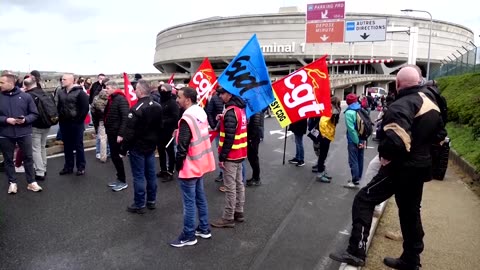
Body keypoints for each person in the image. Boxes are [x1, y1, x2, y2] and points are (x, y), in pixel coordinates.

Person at [329, 66, 447, 269]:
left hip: (401, 169)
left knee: (364, 199)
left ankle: (355, 251)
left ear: (398, 84)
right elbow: (440, 136)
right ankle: (411, 259)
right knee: (410, 212)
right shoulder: (432, 102)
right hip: (420, 168)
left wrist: (386, 155)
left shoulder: (401, 105)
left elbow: (396, 141)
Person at [169, 86, 216, 247]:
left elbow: (182, 147)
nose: (177, 100)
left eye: (179, 97)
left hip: (189, 166)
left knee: (189, 203)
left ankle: (188, 235)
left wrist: (177, 166)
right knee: (200, 197)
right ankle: (204, 228)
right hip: (201, 163)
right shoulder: (200, 112)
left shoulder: (186, 118)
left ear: (187, 99)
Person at [121, 79, 163, 214]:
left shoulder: (136, 109)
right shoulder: (157, 105)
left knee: (139, 176)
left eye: (135, 89)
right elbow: (159, 127)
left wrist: (123, 149)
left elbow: (129, 132)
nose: (134, 91)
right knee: (150, 175)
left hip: (138, 146)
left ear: (140, 91)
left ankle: (139, 204)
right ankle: (151, 200)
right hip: (150, 145)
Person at [210, 87, 247, 228]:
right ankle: (239, 211)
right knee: (239, 184)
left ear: (229, 94)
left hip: (231, 155)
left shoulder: (231, 112)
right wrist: (223, 118)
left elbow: (229, 138)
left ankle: (228, 217)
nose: (220, 96)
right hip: (240, 153)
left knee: (230, 187)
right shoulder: (239, 110)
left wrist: (222, 157)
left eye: (222, 94)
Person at [0, 73, 42, 193]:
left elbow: (34, 114)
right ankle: (12, 182)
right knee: (8, 159)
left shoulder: (26, 97)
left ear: (10, 83)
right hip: (5, 134)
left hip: (24, 132)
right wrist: (6, 120)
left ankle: (31, 182)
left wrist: (25, 120)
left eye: (2, 82)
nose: (0, 85)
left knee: (28, 157)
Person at [57, 73, 90, 176]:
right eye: (62, 79)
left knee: (78, 145)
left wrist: (78, 121)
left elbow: (85, 109)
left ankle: (81, 167)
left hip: (76, 123)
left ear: (72, 81)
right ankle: (68, 166)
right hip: (64, 123)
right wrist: (60, 118)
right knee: (67, 146)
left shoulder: (80, 93)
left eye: (65, 79)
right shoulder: (61, 92)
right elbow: (59, 106)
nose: (62, 81)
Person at [23, 76, 51, 181]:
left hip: (35, 125)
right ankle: (43, 166)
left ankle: (40, 172)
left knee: (35, 149)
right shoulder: (45, 93)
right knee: (42, 147)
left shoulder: (28, 96)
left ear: (25, 85)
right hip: (47, 123)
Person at [103, 81, 130, 192]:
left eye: (108, 88)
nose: (106, 90)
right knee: (114, 156)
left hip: (116, 133)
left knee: (117, 157)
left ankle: (123, 181)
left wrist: (121, 134)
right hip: (111, 131)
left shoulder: (121, 99)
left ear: (114, 88)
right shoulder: (112, 99)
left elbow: (125, 117)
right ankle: (119, 178)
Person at [157, 83, 180, 182]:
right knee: (161, 151)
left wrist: (164, 121)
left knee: (170, 152)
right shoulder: (160, 101)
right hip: (160, 131)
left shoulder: (173, 103)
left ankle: (170, 172)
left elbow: (175, 117)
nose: (161, 91)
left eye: (163, 90)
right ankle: (163, 170)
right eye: (160, 89)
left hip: (169, 131)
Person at [315, 96, 341, 183]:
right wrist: (323, 134)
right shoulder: (330, 109)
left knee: (324, 155)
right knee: (322, 155)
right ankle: (320, 174)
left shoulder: (334, 110)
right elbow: (322, 122)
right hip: (325, 136)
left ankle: (322, 171)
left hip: (328, 135)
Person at [344, 93, 365, 188]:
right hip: (362, 138)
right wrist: (361, 141)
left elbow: (351, 129)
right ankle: (358, 177)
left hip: (353, 140)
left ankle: (355, 180)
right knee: (360, 158)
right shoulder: (361, 109)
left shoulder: (349, 112)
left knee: (353, 160)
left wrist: (356, 141)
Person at [205, 90, 225, 182]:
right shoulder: (214, 98)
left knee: (229, 153)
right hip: (219, 129)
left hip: (229, 129)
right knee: (220, 151)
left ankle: (228, 176)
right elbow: (208, 112)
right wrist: (213, 125)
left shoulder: (233, 97)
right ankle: (222, 173)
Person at [246, 111, 264, 186]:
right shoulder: (256, 108)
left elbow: (255, 125)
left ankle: (256, 179)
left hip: (254, 137)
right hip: (255, 135)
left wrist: (250, 137)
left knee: (253, 158)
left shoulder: (255, 110)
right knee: (253, 158)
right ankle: (255, 177)